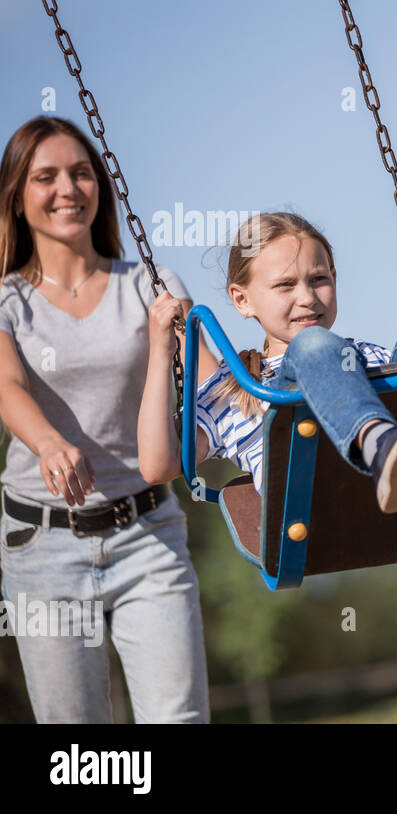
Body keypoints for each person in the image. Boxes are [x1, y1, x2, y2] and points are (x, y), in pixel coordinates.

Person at [0, 116, 219, 723]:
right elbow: (6, 383)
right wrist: (47, 443)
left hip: (148, 536)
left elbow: (209, 383)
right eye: (46, 177)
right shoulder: (7, 299)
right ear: (17, 198)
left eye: (81, 173)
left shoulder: (151, 285)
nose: (68, 189)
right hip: (41, 543)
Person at [138, 212, 397, 517]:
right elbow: (158, 467)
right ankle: (381, 450)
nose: (307, 297)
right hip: (314, 507)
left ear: (335, 279)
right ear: (242, 300)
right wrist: (162, 352)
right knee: (314, 347)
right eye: (285, 285)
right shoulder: (235, 393)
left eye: (318, 279)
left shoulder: (365, 357)